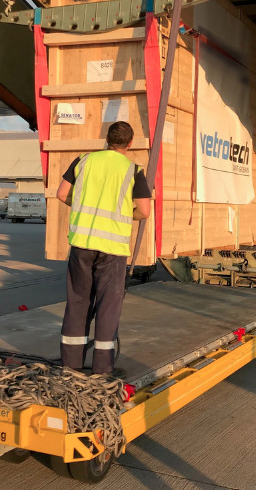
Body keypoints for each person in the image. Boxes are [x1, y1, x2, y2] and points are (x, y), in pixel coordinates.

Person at [56, 121, 151, 376]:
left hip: (82, 244)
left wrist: (83, 210)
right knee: (108, 306)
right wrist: (124, 215)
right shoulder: (133, 170)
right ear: (129, 144)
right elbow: (144, 210)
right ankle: (102, 369)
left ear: (106, 139)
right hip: (112, 248)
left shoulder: (84, 161)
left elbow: (62, 193)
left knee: (78, 302)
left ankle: (71, 365)